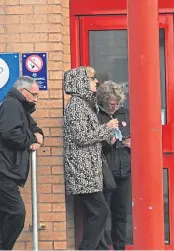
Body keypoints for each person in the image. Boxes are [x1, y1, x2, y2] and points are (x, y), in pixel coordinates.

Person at [0, 76, 44, 250]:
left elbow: (34, 128)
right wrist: (32, 139)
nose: (36, 99)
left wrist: (38, 135)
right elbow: (11, 133)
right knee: (17, 212)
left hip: (1, 171)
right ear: (23, 91)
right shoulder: (12, 105)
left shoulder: (19, 108)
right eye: (34, 95)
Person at [62, 66, 118, 250]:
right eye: (92, 78)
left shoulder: (86, 104)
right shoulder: (77, 105)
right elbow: (81, 136)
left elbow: (90, 135)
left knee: (98, 212)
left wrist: (107, 136)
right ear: (81, 82)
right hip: (83, 169)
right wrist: (106, 128)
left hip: (89, 168)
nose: (96, 82)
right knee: (100, 211)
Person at [96, 80, 131, 250]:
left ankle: (120, 247)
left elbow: (136, 136)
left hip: (124, 170)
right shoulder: (97, 114)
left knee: (121, 213)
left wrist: (132, 143)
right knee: (102, 213)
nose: (114, 108)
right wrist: (109, 140)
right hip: (105, 171)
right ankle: (102, 247)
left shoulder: (125, 113)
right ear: (103, 101)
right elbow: (93, 141)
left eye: (117, 104)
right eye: (111, 104)